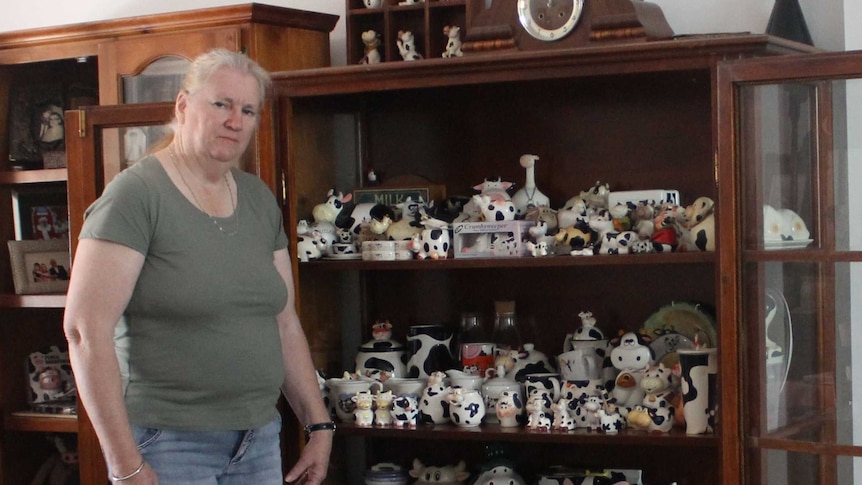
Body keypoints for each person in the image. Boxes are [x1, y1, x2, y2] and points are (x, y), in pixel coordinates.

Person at [63, 49, 333, 484]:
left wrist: (318, 425)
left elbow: (283, 323)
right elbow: (84, 331)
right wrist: (123, 464)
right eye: (222, 104)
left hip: (259, 439)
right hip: (167, 443)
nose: (235, 120)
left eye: (248, 110)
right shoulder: (135, 196)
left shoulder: (259, 199)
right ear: (183, 106)